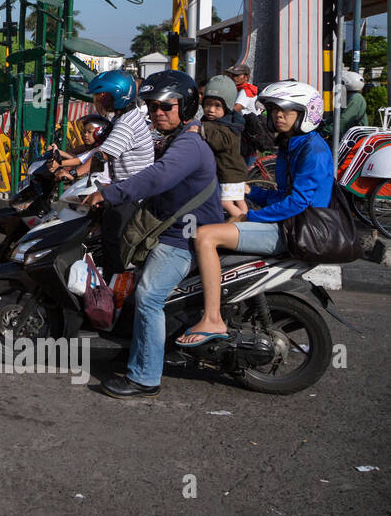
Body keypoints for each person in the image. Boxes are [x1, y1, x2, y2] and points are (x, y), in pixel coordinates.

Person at [83, 70, 223, 399]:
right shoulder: (176, 138)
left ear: (185, 107)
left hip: (182, 238)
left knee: (148, 297)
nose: (158, 112)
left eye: (166, 106)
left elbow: (158, 177)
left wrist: (111, 194)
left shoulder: (188, 144)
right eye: (152, 106)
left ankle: (145, 377)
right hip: (172, 229)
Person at [177, 81, 334, 347]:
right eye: (274, 111)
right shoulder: (294, 144)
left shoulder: (313, 150)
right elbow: (285, 195)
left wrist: (249, 217)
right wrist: (250, 190)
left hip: (296, 230)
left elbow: (298, 203)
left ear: (306, 114)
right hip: (290, 223)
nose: (278, 116)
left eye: (287, 111)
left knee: (205, 236)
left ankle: (213, 318)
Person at [52, 71, 153, 184]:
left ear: (117, 95)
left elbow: (102, 155)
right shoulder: (124, 116)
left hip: (133, 189)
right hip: (125, 184)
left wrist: (73, 174)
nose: (97, 101)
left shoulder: (126, 123)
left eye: (102, 96)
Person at [195, 75, 249, 217]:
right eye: (208, 104)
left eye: (217, 106)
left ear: (227, 106)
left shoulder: (227, 126)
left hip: (229, 174)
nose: (211, 109)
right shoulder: (222, 122)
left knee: (226, 203)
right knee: (239, 201)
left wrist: (201, 129)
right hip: (234, 172)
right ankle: (247, 218)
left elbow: (221, 142)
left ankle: (244, 222)